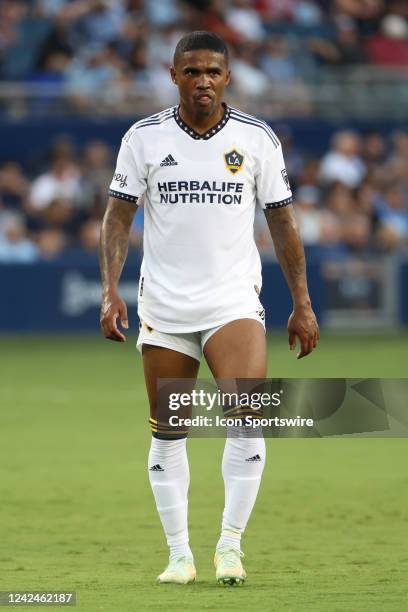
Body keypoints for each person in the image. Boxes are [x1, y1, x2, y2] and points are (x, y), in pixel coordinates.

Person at [99, 31, 319, 586]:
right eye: (192, 71)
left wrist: (302, 303)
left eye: (213, 72)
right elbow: (118, 219)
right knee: (169, 431)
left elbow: (282, 222)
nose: (203, 81)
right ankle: (179, 555)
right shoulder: (143, 139)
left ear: (228, 78)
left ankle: (229, 547)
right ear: (173, 75)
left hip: (232, 302)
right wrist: (110, 290)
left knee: (247, 419)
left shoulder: (257, 139)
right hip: (165, 307)